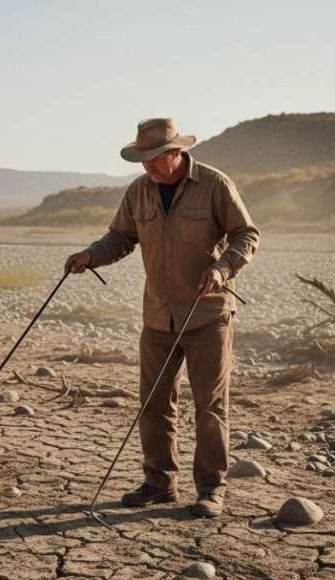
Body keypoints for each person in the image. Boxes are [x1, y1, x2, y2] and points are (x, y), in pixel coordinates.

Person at [65, 118, 260, 518]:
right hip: (157, 315)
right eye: (143, 158)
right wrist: (89, 256)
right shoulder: (138, 191)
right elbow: (120, 238)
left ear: (175, 153)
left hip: (208, 315)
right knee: (153, 404)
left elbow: (246, 234)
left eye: (154, 157)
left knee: (209, 407)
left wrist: (223, 268)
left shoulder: (214, 184)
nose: (147, 165)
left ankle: (211, 489)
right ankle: (159, 483)